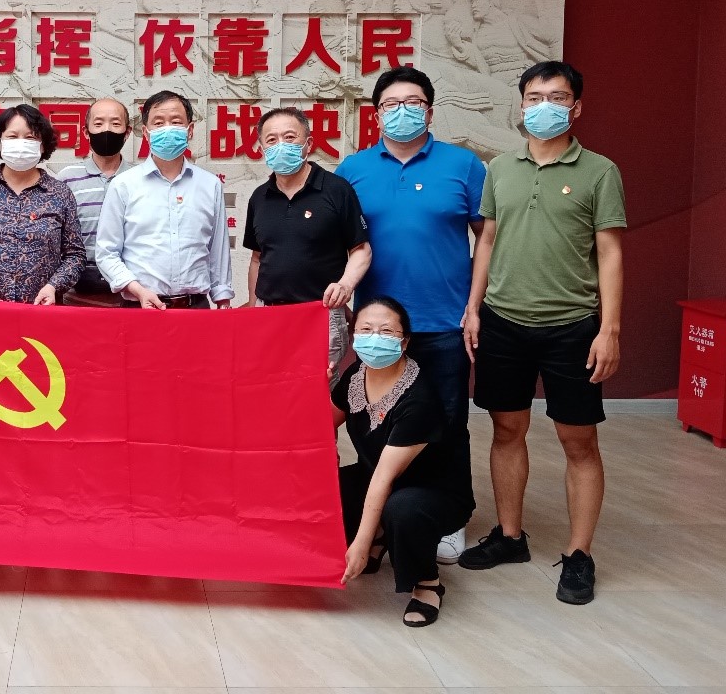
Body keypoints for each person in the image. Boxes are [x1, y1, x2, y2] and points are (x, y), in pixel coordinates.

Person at [461, 60, 626, 606]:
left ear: (576, 107)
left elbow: (610, 252)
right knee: (506, 430)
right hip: (503, 321)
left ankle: (579, 554)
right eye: (534, 98)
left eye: (556, 98)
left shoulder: (600, 171)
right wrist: (473, 308)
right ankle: (510, 537)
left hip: (572, 326)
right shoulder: (500, 168)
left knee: (579, 441)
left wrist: (609, 329)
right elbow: (487, 240)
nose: (544, 107)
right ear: (521, 104)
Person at [335, 67, 486, 565]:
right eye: (391, 104)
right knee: (376, 423)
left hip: (443, 323)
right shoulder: (353, 169)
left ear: (430, 111)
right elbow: (340, 244)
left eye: (413, 103)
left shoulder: (463, 165)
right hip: (377, 329)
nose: (403, 112)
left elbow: (487, 238)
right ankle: (385, 514)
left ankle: (447, 518)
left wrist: (474, 306)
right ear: (376, 115)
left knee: (448, 422)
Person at [335, 297, 474, 628]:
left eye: (386, 331)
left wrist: (360, 542)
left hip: (434, 492)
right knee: (329, 487)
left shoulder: (419, 397)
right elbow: (318, 425)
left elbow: (384, 478)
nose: (374, 338)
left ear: (405, 341)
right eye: (366, 330)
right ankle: (381, 536)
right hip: (379, 478)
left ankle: (427, 583)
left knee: (402, 508)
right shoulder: (356, 374)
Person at [244, 107, 370, 376]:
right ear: (262, 148)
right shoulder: (259, 197)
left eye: (290, 137)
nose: (281, 145)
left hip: (320, 314)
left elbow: (361, 249)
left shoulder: (337, 189)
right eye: (271, 140)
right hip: (270, 316)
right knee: (270, 388)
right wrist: (254, 310)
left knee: (318, 390)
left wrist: (345, 285)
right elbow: (257, 259)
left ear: (308, 144)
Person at [95, 90, 233, 309]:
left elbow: (218, 250)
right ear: (146, 133)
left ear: (190, 130)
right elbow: (106, 252)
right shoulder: (124, 185)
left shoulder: (210, 185)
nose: (167, 128)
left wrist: (223, 300)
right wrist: (137, 290)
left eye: (176, 122)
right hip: (141, 308)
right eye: (158, 123)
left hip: (195, 308)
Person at [0, 104, 85, 305]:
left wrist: (54, 286)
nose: (21, 143)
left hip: (41, 309)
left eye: (30, 137)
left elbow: (75, 255)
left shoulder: (60, 193)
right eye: (12, 136)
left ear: (43, 145)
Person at [57, 98, 135, 307]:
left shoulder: (140, 178)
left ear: (127, 132)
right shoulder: (67, 178)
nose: (106, 130)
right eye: (98, 124)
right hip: (76, 296)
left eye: (115, 124)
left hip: (131, 295)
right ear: (86, 132)